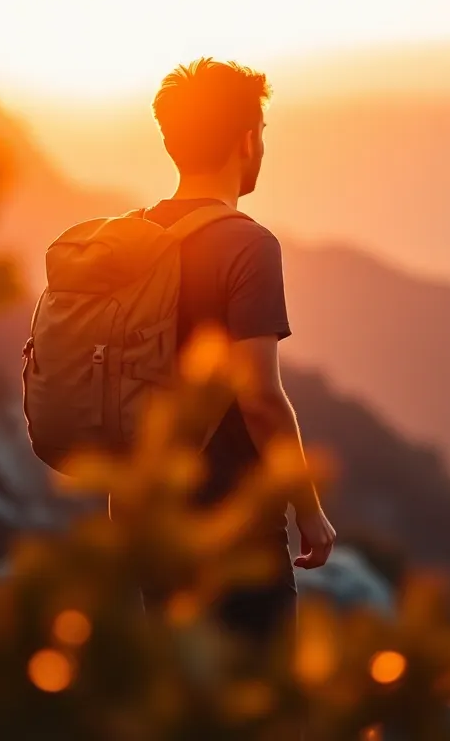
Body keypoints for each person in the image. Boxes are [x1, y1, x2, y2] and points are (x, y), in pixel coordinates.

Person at [138, 58, 336, 656]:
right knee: (256, 693)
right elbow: (261, 397)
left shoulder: (137, 236)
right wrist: (310, 509)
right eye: (263, 133)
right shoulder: (249, 245)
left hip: (152, 516)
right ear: (247, 140)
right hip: (235, 523)